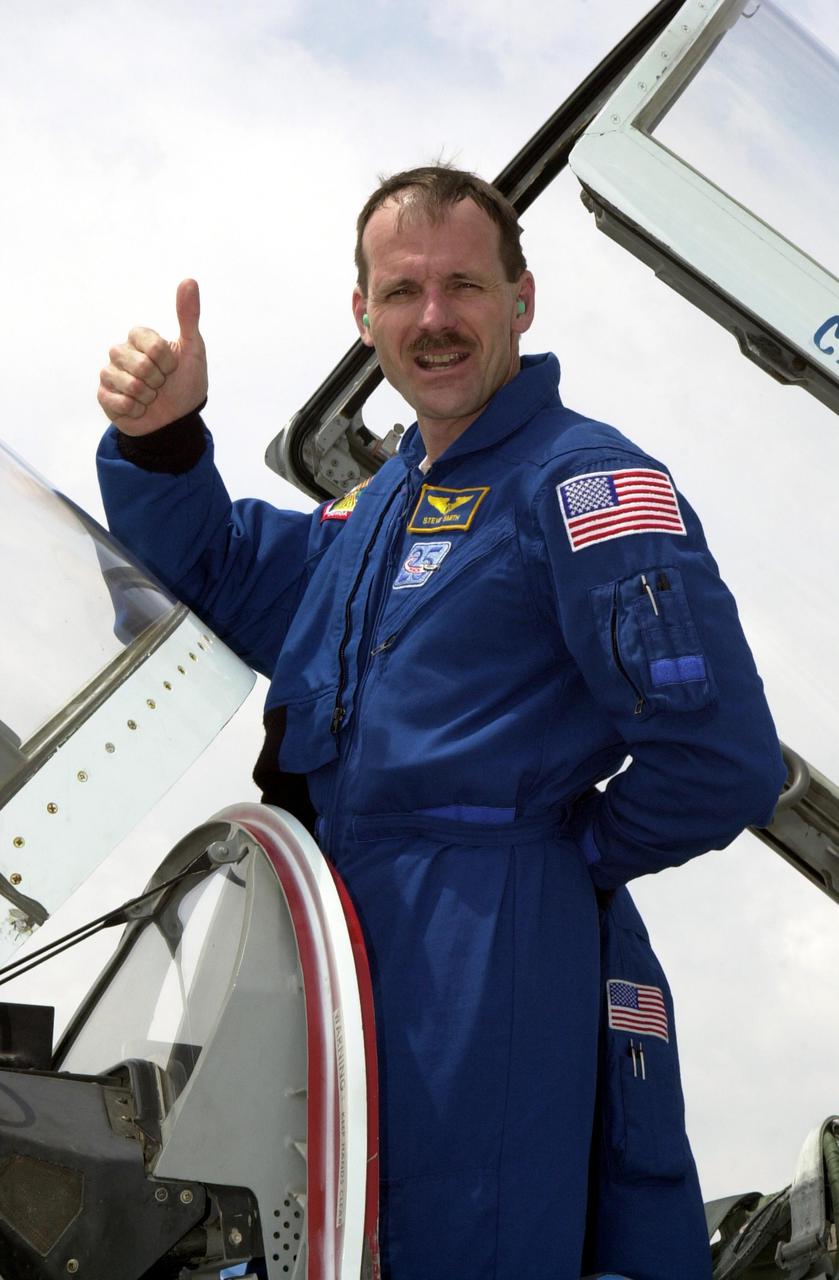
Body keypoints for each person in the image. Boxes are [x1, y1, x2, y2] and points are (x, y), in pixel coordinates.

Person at [96, 165, 786, 1279]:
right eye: (401, 290)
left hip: (489, 940)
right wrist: (165, 441)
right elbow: (222, 566)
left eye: (462, 284)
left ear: (521, 297)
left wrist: (559, 862)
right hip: (340, 936)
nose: (432, 318)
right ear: (360, 315)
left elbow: (721, 761)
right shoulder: (379, 510)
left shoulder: (583, 486)